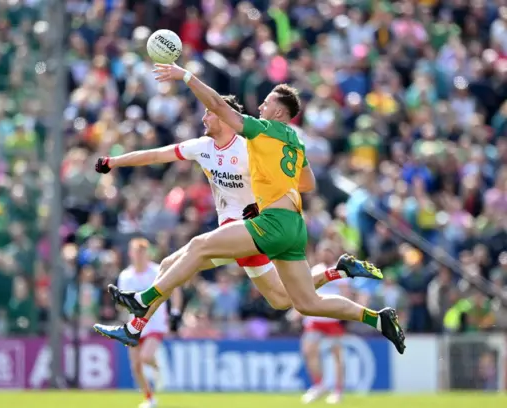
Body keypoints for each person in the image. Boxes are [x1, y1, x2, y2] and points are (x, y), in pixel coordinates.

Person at [100, 63, 405, 354]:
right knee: (301, 302)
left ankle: (142, 306)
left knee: (194, 249)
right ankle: (376, 316)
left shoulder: (258, 133)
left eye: (266, 103)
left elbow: (220, 106)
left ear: (279, 112)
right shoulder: (294, 141)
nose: (260, 107)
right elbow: (308, 182)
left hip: (264, 226)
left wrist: (184, 76)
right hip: (292, 227)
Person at [117, 238, 174, 408]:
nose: (140, 255)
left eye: (143, 252)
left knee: (146, 357)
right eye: (136, 251)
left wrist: (175, 311)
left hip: (155, 322)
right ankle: (149, 398)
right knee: (136, 365)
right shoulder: (125, 276)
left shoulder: (157, 271)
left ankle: (158, 369)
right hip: (134, 323)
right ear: (131, 253)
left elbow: (173, 289)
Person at [298, 242, 349, 404]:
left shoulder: (339, 270)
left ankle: (338, 391)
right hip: (315, 318)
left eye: (329, 251)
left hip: (332, 317)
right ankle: (319, 384)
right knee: (308, 350)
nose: (326, 254)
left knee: (337, 355)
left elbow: (345, 293)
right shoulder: (315, 270)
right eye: (323, 251)